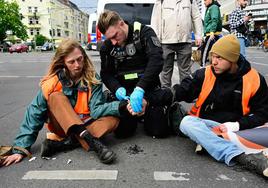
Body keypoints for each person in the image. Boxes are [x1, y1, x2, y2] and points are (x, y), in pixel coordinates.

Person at [0, 38, 135, 167]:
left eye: (79, 59)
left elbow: (96, 110)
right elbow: (34, 113)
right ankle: (91, 142)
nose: (77, 65)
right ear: (63, 62)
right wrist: (20, 149)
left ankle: (66, 144)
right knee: (55, 97)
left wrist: (120, 105)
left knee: (113, 120)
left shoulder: (93, 79)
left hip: (86, 123)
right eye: (71, 62)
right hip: (62, 127)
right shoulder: (53, 82)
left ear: (84, 57)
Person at [173, 34, 268, 178]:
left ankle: (208, 142)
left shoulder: (255, 79)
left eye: (219, 58)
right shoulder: (205, 73)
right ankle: (242, 157)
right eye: (213, 56)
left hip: (238, 129)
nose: (214, 62)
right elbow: (182, 91)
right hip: (209, 125)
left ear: (233, 59)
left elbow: (263, 113)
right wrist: (150, 98)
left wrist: (236, 125)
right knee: (186, 122)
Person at [98, 10, 173, 138]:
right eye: (109, 38)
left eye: (115, 36)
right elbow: (105, 73)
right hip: (125, 94)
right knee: (122, 133)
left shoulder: (144, 33)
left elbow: (157, 60)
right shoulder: (108, 46)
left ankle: (155, 109)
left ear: (121, 24)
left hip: (147, 90)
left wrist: (140, 89)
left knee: (158, 131)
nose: (114, 42)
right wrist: (116, 89)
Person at [150, 0, 203, 87]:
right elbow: (155, 19)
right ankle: (166, 94)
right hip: (165, 41)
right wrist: (156, 40)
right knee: (165, 71)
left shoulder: (190, 1)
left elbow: (196, 17)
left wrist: (198, 36)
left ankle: (185, 93)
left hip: (185, 40)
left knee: (185, 71)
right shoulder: (161, 1)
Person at [201, 0, 222, 67]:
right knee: (213, 53)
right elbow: (208, 23)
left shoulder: (213, 7)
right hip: (211, 34)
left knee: (205, 52)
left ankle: (202, 67)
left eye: (205, 0)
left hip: (212, 34)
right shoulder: (210, 7)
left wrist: (212, 31)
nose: (204, 2)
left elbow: (214, 19)